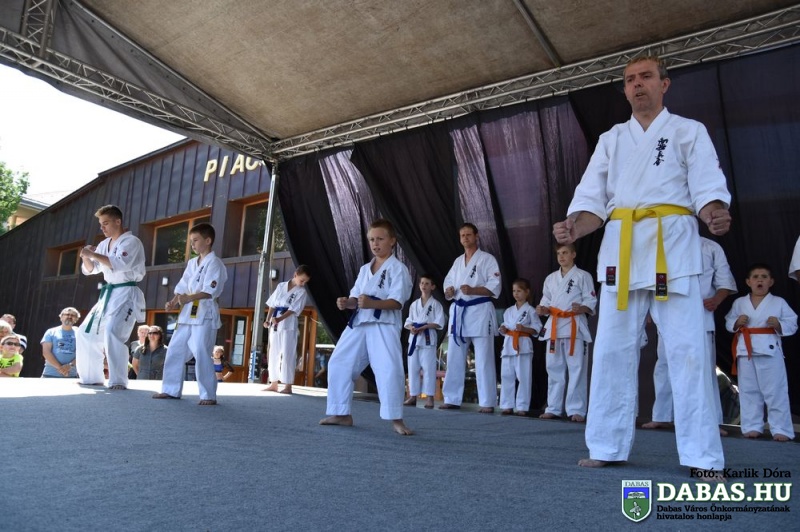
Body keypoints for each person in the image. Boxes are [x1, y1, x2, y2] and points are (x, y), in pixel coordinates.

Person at [553, 55, 731, 473]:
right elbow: (592, 199)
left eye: (646, 77)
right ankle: (606, 446)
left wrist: (714, 212)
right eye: (630, 79)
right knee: (611, 351)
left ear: (664, 84)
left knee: (688, 352)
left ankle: (703, 456)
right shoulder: (612, 139)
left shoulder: (688, 131)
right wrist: (574, 226)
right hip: (622, 250)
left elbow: (707, 186)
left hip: (673, 249)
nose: (637, 84)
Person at [320, 219, 413, 435]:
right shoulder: (364, 269)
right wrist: (347, 303)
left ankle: (397, 419)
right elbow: (356, 297)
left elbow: (397, 302)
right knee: (339, 362)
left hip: (383, 323)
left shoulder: (398, 269)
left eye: (380, 239)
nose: (375, 243)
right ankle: (341, 413)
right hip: (360, 321)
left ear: (392, 241)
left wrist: (371, 303)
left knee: (389, 369)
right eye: (372, 239)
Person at [643, 236, 736, 434]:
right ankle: (662, 416)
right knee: (665, 365)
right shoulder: (660, 243)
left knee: (703, 368)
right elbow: (650, 278)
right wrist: (648, 307)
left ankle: (711, 420)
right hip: (667, 313)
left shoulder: (710, 247)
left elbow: (725, 281)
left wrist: (717, 299)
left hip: (700, 315)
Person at [154, 223, 227, 405]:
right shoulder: (192, 263)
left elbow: (210, 290)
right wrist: (173, 301)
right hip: (187, 312)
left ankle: (208, 395)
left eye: (196, 240)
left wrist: (189, 298)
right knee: (175, 349)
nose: (192, 244)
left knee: (201, 351)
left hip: (204, 312)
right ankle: (170, 389)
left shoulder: (215, 263)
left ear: (208, 241)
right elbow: (183, 285)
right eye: (191, 241)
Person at [75, 205, 146, 389]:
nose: (102, 227)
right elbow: (92, 270)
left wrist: (93, 254)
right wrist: (86, 257)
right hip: (109, 293)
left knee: (113, 331)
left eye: (105, 223)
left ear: (118, 221)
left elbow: (120, 264)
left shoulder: (131, 241)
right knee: (86, 332)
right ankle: (91, 377)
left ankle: (118, 380)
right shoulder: (103, 244)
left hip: (126, 292)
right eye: (101, 224)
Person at [725, 264, 797, 441]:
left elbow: (792, 322)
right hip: (745, 352)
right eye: (756, 277)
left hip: (770, 352)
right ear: (748, 282)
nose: (760, 280)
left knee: (775, 391)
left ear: (770, 282)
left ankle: (781, 429)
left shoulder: (779, 302)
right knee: (749, 391)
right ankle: (751, 426)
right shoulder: (739, 303)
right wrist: (737, 323)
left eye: (764, 277)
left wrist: (779, 324)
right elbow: (729, 321)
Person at [439, 223, 502, 413]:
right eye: (462, 235)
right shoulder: (458, 262)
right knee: (454, 357)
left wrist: (474, 290)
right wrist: (449, 291)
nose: (465, 238)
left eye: (468, 234)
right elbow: (448, 283)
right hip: (459, 313)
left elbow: (495, 286)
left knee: (483, 359)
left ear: (477, 236)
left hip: (480, 312)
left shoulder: (487, 259)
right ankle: (451, 398)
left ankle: (487, 402)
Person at [536, 243, 596, 422]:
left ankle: (576, 409)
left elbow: (590, 300)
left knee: (577, 369)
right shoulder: (551, 278)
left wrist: (582, 308)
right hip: (554, 326)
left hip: (574, 326)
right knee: (553, 369)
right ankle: (553, 407)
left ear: (573, 254)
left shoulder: (583, 276)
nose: (561, 256)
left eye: (565, 253)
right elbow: (546, 300)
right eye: (559, 253)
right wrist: (543, 309)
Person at [262, 265, 311, 394]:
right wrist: (267, 319)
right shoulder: (281, 286)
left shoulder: (302, 292)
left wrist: (279, 319)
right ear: (295, 275)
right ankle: (273, 383)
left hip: (289, 323)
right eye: (302, 280)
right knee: (273, 352)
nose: (303, 283)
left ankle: (288, 385)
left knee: (288, 353)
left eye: (305, 281)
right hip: (275, 322)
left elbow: (293, 309)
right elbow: (272, 304)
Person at [498, 278, 540, 416]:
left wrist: (524, 329)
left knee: (524, 377)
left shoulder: (531, 310)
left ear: (527, 292)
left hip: (523, 345)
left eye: (519, 291)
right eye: (514, 291)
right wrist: (503, 329)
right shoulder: (509, 311)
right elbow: (504, 325)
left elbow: (537, 329)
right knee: (506, 376)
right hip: (508, 344)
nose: (516, 294)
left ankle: (522, 406)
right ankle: (507, 405)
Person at [403, 274, 446, 409]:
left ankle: (430, 397)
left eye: (427, 283)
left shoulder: (436, 304)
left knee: (429, 369)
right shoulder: (414, 304)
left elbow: (439, 322)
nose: (424, 286)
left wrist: (425, 326)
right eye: (422, 283)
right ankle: (413, 396)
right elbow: (408, 321)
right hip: (415, 339)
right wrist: (411, 328)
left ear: (432, 287)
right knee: (413, 368)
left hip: (428, 339)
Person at [40, 307, 81, 378]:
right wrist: (60, 368)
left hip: (71, 375)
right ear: (61, 317)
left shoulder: (79, 333)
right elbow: (46, 352)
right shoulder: (51, 332)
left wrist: (70, 365)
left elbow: (82, 354)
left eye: (73, 315)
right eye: (67, 314)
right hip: (50, 374)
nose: (69, 316)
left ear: (76, 319)